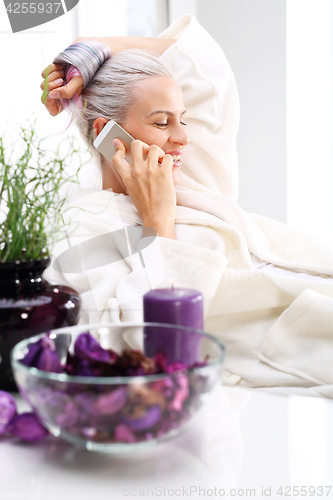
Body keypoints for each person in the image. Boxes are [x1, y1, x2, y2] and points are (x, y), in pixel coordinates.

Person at [41, 15, 333, 396]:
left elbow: (204, 64)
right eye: (162, 123)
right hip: (301, 349)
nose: (183, 138)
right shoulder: (82, 224)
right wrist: (157, 222)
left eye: (183, 119)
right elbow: (131, 346)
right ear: (106, 135)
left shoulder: (189, 178)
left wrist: (91, 48)